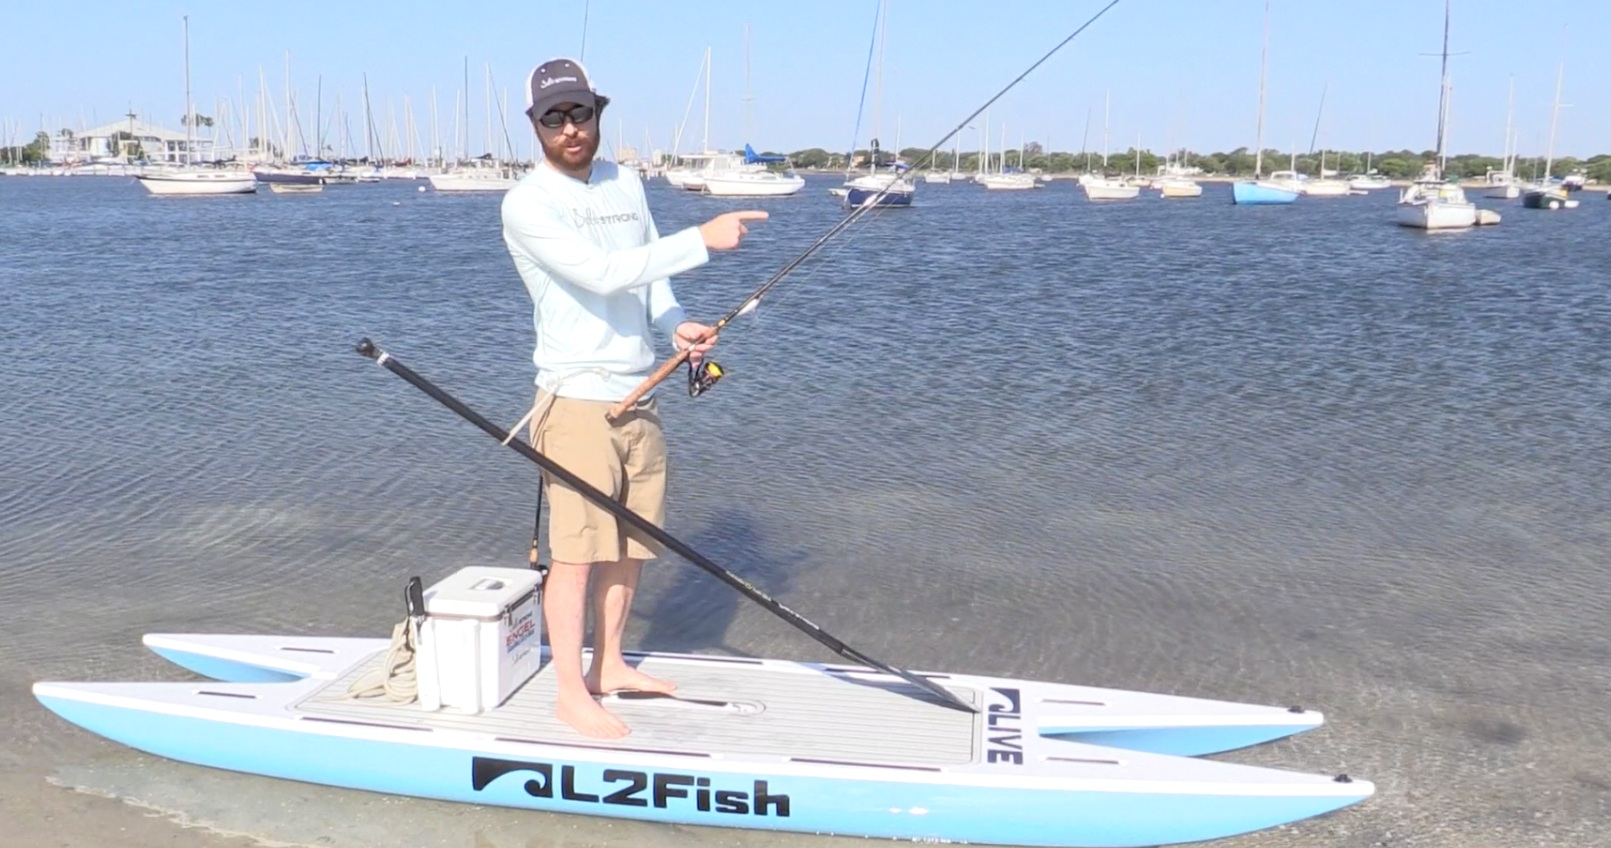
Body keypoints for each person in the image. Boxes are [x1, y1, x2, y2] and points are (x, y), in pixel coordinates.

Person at [501, 57, 767, 738]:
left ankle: (609, 666)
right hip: (575, 400)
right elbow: (600, 274)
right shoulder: (527, 203)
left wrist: (673, 322)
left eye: (579, 114)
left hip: (639, 392)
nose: (569, 129)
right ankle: (569, 691)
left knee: (629, 544)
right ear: (535, 126)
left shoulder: (625, 180)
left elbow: (645, 276)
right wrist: (701, 241)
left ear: (596, 114)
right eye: (553, 118)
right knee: (576, 552)